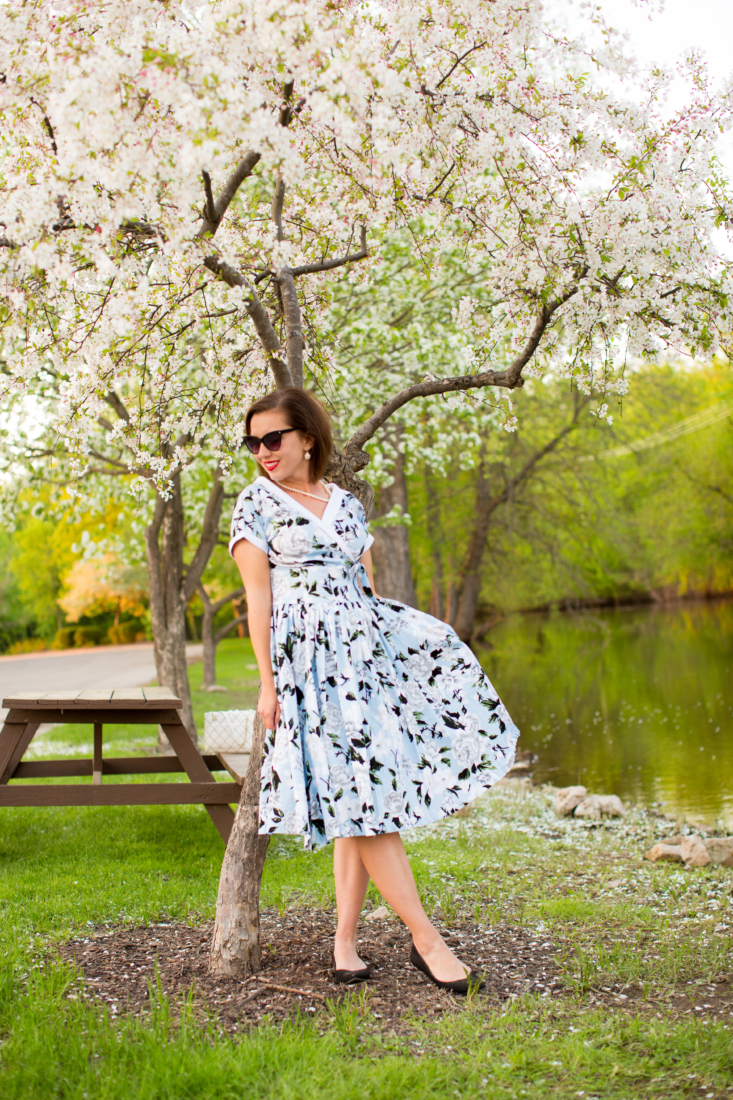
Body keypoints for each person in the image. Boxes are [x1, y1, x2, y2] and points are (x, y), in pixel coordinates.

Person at [229, 387, 519, 994]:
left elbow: (365, 588)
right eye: (254, 441)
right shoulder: (255, 504)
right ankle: (426, 939)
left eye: (274, 438)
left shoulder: (347, 504)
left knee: (360, 802)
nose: (263, 451)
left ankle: (343, 941)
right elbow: (259, 602)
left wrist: (398, 663)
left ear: (307, 437)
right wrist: (267, 684)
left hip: (363, 664)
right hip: (307, 670)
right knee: (364, 807)